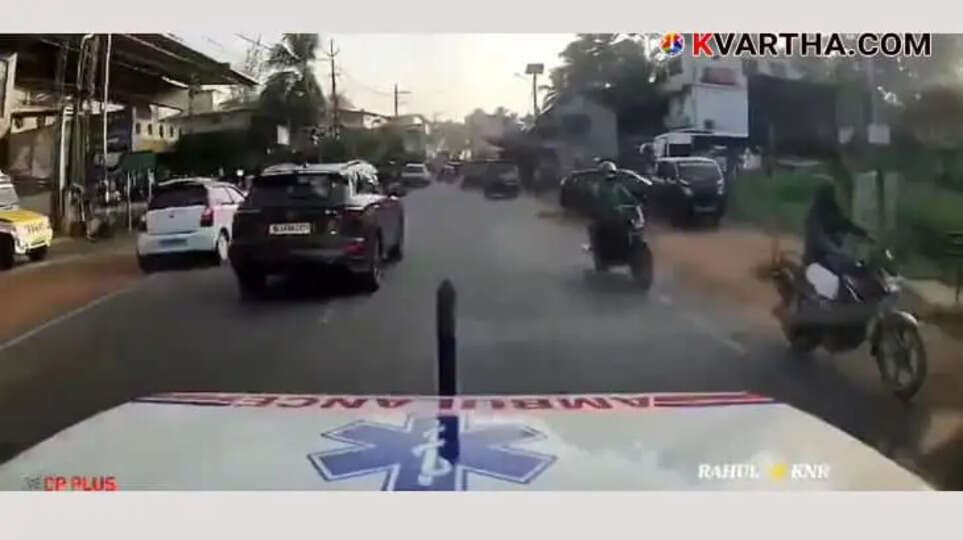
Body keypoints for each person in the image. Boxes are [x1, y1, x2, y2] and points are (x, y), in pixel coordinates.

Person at [803, 183, 870, 278]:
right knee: (847, 272)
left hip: (832, 254)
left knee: (859, 269)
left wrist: (864, 234)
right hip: (819, 258)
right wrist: (838, 251)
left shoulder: (831, 209)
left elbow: (844, 224)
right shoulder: (816, 216)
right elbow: (820, 239)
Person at [588, 161, 639, 261]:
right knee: (595, 230)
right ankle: (599, 254)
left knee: (634, 230)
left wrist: (636, 204)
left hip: (619, 218)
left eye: (611, 173)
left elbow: (630, 199)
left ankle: (634, 252)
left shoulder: (618, 187)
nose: (609, 175)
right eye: (606, 173)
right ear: (601, 174)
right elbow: (595, 200)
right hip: (605, 219)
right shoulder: (597, 187)